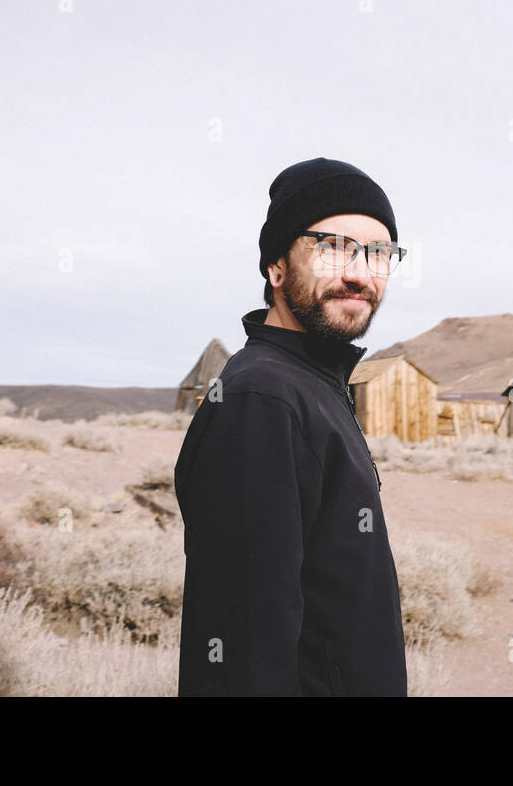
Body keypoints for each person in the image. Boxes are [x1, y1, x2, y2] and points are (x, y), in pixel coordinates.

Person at [174, 157, 409, 696]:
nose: (359, 273)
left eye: (379, 253)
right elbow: (243, 644)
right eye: (331, 247)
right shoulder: (263, 399)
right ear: (276, 268)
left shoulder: (313, 386)